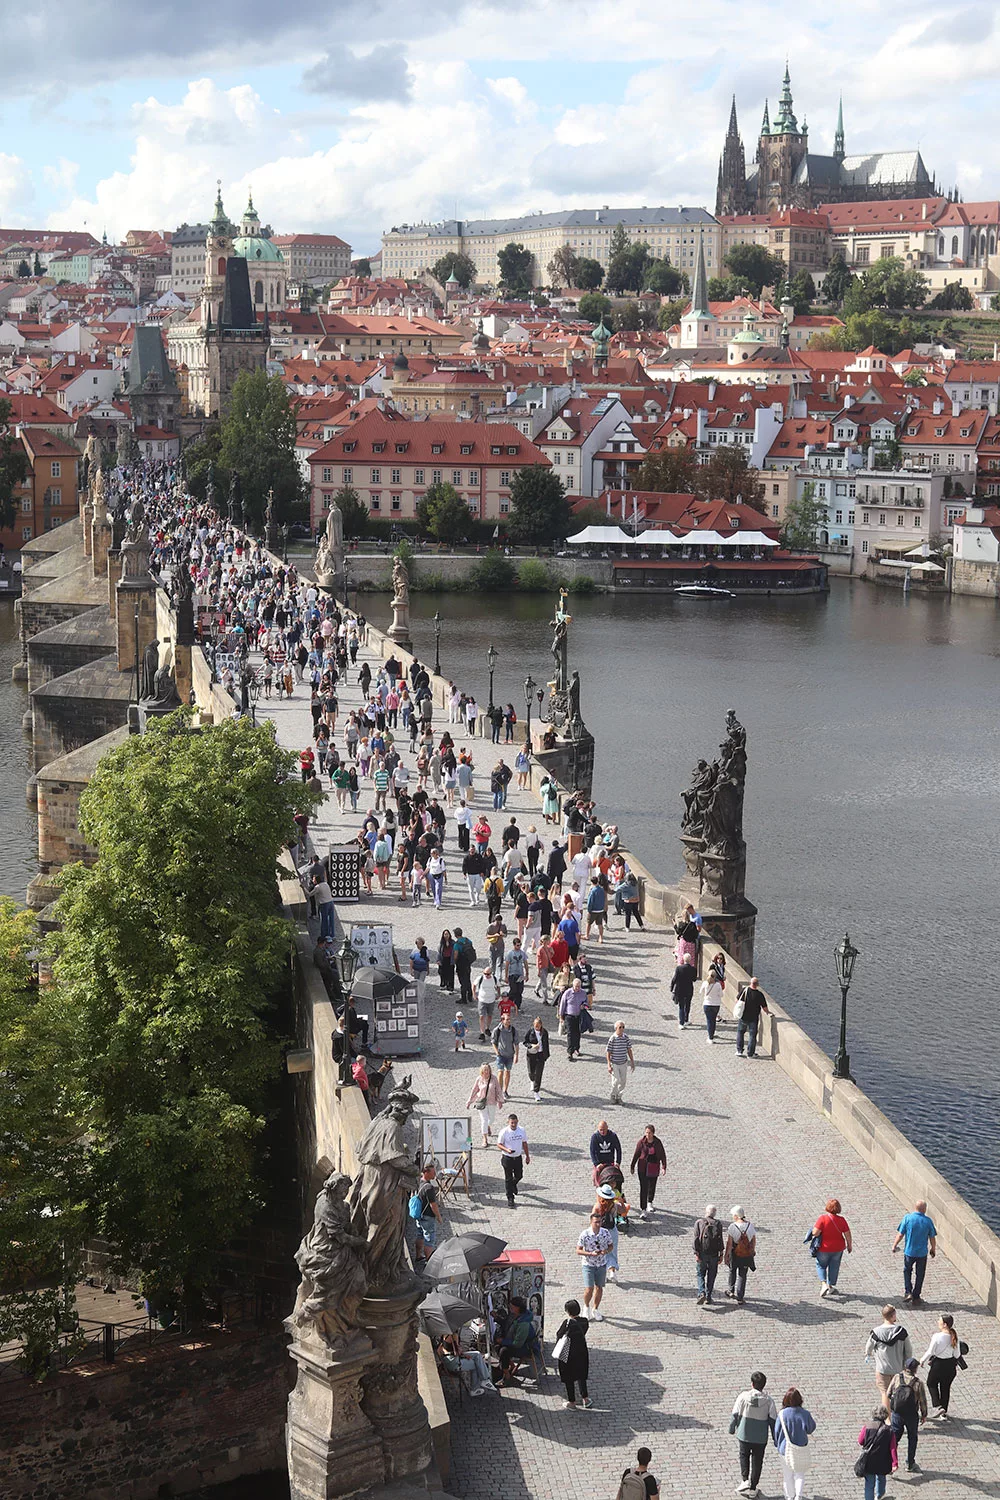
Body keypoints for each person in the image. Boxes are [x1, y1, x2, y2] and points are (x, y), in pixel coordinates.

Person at [730, 1371, 777, 1498]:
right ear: (763, 1385)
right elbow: (773, 1421)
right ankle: (753, 1487)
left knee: (744, 1455)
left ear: (752, 1383)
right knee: (757, 1461)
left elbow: (735, 1414)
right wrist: (775, 1438)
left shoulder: (743, 1397)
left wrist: (732, 1428)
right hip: (760, 1437)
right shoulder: (768, 1401)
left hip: (744, 1434)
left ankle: (745, 1479)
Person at [866, 1305, 913, 1410]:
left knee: (885, 1393)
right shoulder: (901, 1332)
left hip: (882, 1369)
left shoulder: (876, 1332)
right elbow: (908, 1351)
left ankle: (887, 1420)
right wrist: (906, 1365)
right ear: (893, 1316)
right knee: (898, 1392)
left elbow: (868, 1348)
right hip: (898, 1369)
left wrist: (869, 1354)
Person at [772, 1388, 816, 1500]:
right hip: (801, 1447)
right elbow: (811, 1428)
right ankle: (798, 1496)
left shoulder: (782, 1414)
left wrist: (777, 1444)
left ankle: (790, 1496)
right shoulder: (805, 1414)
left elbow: (776, 1431)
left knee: (788, 1476)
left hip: (784, 1449)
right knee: (800, 1474)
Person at [892, 1200, 937, 1307]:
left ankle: (908, 1292)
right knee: (920, 1274)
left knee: (907, 1271)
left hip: (909, 1252)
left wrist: (894, 1245)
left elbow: (900, 1234)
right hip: (922, 1253)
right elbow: (932, 1237)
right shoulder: (928, 1221)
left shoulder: (907, 1218)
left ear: (915, 1207)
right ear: (924, 1209)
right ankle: (916, 1296)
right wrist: (933, 1249)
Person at [886, 1357, 928, 1472]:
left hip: (897, 1414)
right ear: (915, 1369)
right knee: (912, 1438)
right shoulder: (918, 1383)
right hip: (911, 1415)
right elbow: (922, 1401)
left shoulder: (896, 1377)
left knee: (894, 1439)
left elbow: (888, 1393)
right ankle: (910, 1463)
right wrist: (924, 1415)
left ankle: (890, 1462)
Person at [921, 1312, 961, 1418]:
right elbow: (957, 1355)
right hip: (950, 1366)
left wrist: (922, 1360)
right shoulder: (955, 1337)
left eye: (940, 1321)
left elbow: (931, 1351)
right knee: (945, 1388)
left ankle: (937, 1406)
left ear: (945, 1324)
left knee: (931, 1383)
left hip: (938, 1365)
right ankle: (944, 1412)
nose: (938, 1322)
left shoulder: (937, 1336)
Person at [810, 1197, 852, 1297]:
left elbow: (815, 1233)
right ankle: (830, 1286)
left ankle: (823, 1284)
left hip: (824, 1248)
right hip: (838, 1248)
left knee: (821, 1265)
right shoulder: (842, 1220)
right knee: (834, 1266)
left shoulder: (823, 1219)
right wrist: (849, 1245)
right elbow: (847, 1234)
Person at [576, 1209, 613, 1322]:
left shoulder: (605, 1232)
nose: (598, 1224)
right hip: (588, 1264)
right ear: (591, 1222)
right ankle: (586, 1307)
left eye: (599, 1222)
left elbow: (611, 1246)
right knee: (589, 1288)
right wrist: (590, 1254)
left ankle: (595, 1309)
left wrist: (605, 1251)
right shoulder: (585, 1234)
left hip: (601, 1263)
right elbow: (578, 1250)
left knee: (599, 1287)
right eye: (595, 1222)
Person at [554, 1298, 591, 1410]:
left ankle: (572, 1402)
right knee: (581, 1375)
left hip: (568, 1353)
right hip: (581, 1352)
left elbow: (559, 1335)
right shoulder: (585, 1321)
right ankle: (585, 1399)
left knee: (569, 1378)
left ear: (568, 1311)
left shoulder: (567, 1323)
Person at [495, 1296, 539, 1386]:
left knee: (503, 1351)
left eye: (512, 1306)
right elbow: (507, 1324)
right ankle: (511, 1366)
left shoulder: (523, 1324)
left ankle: (506, 1376)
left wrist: (503, 1341)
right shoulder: (514, 1315)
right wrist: (497, 1318)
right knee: (497, 1347)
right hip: (517, 1342)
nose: (510, 1308)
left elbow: (518, 1343)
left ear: (518, 1308)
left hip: (525, 1347)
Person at [856, 1406, 896, 1500]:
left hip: (869, 1460)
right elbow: (893, 1448)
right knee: (881, 1478)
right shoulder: (889, 1430)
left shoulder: (867, 1426)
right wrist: (894, 1463)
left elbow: (860, 1441)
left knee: (869, 1485)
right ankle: (879, 1494)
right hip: (883, 1460)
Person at [629, 1124, 666, 1218]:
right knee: (643, 1188)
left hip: (653, 1167)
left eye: (649, 1133)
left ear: (653, 1133)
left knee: (652, 1186)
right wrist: (632, 1166)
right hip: (643, 1168)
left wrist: (664, 1167)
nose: (648, 1135)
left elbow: (662, 1155)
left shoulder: (657, 1143)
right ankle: (643, 1209)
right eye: (646, 1133)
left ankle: (650, 1202)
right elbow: (636, 1154)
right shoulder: (641, 1142)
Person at [724, 1205, 757, 1305]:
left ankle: (731, 1290)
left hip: (735, 1254)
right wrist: (752, 1251)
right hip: (746, 1255)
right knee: (743, 1275)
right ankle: (740, 1297)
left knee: (732, 1270)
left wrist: (726, 1255)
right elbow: (753, 1241)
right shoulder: (750, 1226)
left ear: (736, 1216)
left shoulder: (732, 1227)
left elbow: (729, 1243)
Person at [694, 1204, 725, 1304]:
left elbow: (696, 1239)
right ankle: (708, 1296)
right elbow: (720, 1239)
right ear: (714, 1214)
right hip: (714, 1254)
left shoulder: (699, 1222)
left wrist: (696, 1253)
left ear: (706, 1212)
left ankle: (701, 1292)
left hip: (702, 1253)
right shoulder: (718, 1224)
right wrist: (721, 1254)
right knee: (712, 1275)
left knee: (700, 1274)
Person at [466, 1061, 504, 1144]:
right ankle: (485, 1139)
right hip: (481, 1103)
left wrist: (500, 1101)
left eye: (488, 1069)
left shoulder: (494, 1078)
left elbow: (498, 1089)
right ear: (482, 1071)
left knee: (492, 1119)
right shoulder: (479, 1079)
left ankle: (488, 1126)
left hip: (492, 1102)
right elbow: (474, 1090)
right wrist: (469, 1101)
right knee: (484, 1120)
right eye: (485, 1070)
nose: (486, 1071)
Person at [497, 1112, 530, 1207]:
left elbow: (524, 1143)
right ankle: (510, 1198)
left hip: (518, 1157)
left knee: (519, 1175)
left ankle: (513, 1185)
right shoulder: (504, 1132)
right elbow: (499, 1144)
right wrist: (507, 1150)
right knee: (508, 1178)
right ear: (508, 1122)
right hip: (507, 1158)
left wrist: (527, 1156)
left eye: (515, 1122)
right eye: (512, 1123)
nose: (514, 1125)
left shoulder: (521, 1130)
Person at [735, 977, 769, 1058]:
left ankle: (739, 1051)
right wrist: (768, 1012)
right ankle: (750, 1054)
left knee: (740, 1032)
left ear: (750, 983)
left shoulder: (744, 990)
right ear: (757, 985)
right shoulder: (759, 994)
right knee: (752, 1035)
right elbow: (764, 1008)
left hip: (743, 1016)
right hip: (753, 1018)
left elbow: (737, 1000)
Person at [606, 1021, 635, 1104]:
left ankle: (619, 1096)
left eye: (623, 1027)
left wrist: (632, 1061)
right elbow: (608, 1052)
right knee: (616, 1080)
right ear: (616, 1028)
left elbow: (629, 1050)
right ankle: (613, 1095)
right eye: (620, 1027)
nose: (622, 1029)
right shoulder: (613, 1038)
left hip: (623, 1063)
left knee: (623, 1081)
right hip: (614, 1063)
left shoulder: (626, 1037)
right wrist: (609, 1065)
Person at [491, 1012, 519, 1097]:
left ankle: (505, 1090)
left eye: (509, 1019)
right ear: (502, 1020)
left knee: (508, 1072)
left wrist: (516, 1055)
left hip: (510, 1055)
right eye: (507, 1019)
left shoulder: (513, 1030)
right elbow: (493, 1042)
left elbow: (516, 1043)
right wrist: (497, 1053)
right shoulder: (497, 1030)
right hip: (501, 1055)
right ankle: (499, 1092)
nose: (508, 1021)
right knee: (500, 1072)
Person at [559, 975, 586, 1060]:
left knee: (577, 1033)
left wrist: (584, 1006)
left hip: (578, 1016)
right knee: (570, 1034)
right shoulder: (568, 993)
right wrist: (561, 1016)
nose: (577, 988)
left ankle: (576, 1048)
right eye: (576, 986)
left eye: (579, 986)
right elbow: (562, 1004)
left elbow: (587, 1003)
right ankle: (570, 1052)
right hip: (569, 1016)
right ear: (573, 986)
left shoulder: (583, 993)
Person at [524, 1015, 549, 1101]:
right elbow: (525, 1042)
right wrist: (532, 1045)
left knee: (539, 1073)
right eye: (535, 1025)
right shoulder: (530, 1032)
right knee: (531, 1071)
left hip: (541, 1055)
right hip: (531, 1054)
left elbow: (546, 1044)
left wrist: (546, 1055)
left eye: (538, 1025)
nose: (537, 1027)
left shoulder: (544, 1032)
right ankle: (532, 1080)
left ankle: (536, 1092)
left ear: (541, 1025)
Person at [590, 1120, 622, 1186]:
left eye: (604, 1129)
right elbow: (592, 1151)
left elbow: (618, 1149)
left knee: (617, 1175)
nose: (602, 1132)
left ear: (607, 1127)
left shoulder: (613, 1136)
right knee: (595, 1174)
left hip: (610, 1162)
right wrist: (597, 1164)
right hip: (600, 1162)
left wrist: (618, 1162)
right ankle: (598, 1187)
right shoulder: (595, 1137)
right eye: (601, 1130)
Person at [670, 953, 698, 1028]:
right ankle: (686, 1019)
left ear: (683, 959)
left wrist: (672, 988)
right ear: (690, 960)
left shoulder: (679, 968)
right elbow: (694, 979)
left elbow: (674, 979)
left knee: (681, 1006)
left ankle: (681, 1023)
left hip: (680, 989)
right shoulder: (693, 969)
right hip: (689, 989)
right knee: (688, 1005)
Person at [453, 927, 476, 1007]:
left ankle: (463, 998)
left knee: (463, 981)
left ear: (455, 935)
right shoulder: (468, 940)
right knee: (468, 979)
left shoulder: (457, 944)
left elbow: (455, 955)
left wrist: (454, 962)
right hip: (468, 963)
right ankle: (470, 997)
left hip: (461, 964)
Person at [701, 962, 724, 1042]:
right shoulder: (718, 985)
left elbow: (701, 991)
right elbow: (721, 995)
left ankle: (710, 1037)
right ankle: (712, 1034)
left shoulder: (705, 983)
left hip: (707, 1004)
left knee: (709, 1020)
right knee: (713, 1020)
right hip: (716, 1005)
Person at [476, 965, 498, 1042]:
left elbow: (497, 986)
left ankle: (487, 1028)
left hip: (491, 1000)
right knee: (482, 1016)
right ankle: (482, 1033)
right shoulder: (480, 978)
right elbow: (474, 985)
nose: (486, 975)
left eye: (488, 974)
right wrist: (474, 994)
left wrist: (499, 994)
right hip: (482, 1000)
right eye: (485, 973)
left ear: (491, 973)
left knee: (490, 1015)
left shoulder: (494, 979)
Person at [584, 877, 607, 943]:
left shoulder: (593, 890)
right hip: (600, 909)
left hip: (593, 910)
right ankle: (601, 937)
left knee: (588, 923)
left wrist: (589, 909)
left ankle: (587, 935)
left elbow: (590, 901)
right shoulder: (602, 889)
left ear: (592, 882)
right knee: (600, 924)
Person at [409, 938, 429, 1005]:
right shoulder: (414, 951)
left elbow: (427, 960)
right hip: (416, 969)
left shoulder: (425, 950)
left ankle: (421, 996)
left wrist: (428, 969)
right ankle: (417, 995)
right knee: (416, 982)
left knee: (421, 981)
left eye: (420, 943)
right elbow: (411, 960)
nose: (419, 945)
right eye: (417, 943)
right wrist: (411, 969)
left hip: (423, 969)